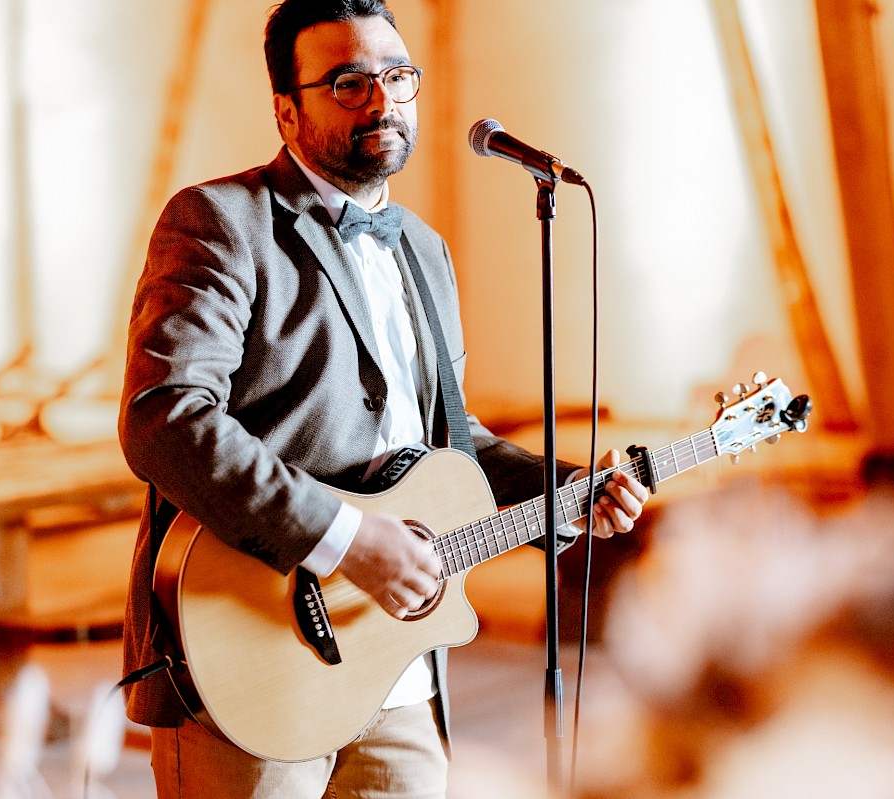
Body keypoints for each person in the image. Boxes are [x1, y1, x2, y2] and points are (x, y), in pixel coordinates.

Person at [118, 1, 649, 796]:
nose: (382, 100)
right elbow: (166, 420)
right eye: (348, 82)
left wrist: (568, 493)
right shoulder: (219, 221)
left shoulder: (427, 251)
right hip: (254, 668)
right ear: (287, 109)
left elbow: (450, 439)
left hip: (403, 676)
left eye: (398, 77)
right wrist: (345, 539)